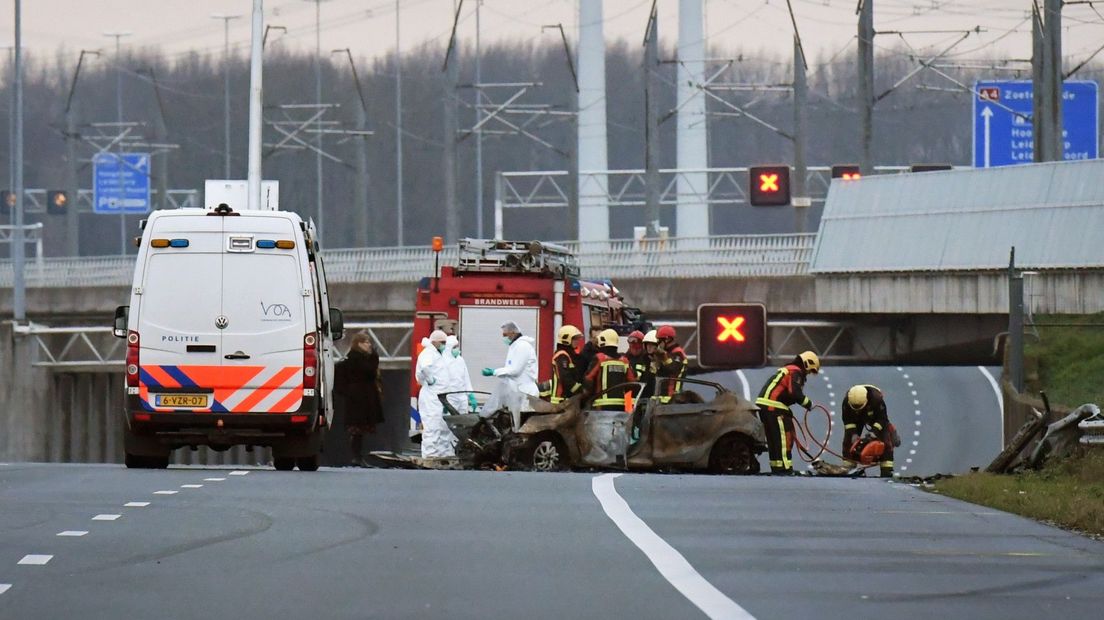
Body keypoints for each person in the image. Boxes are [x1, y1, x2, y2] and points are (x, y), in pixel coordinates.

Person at [754, 351, 821, 475]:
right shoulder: (795, 372)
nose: (808, 374)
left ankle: (777, 467)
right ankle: (785, 469)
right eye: (810, 370)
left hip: (766, 407)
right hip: (774, 408)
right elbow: (795, 393)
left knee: (774, 440)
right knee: (784, 439)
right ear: (807, 363)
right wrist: (809, 404)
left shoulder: (788, 370)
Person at [334, 332, 384, 467]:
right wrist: (374, 357)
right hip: (358, 399)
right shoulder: (355, 359)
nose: (369, 345)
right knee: (357, 428)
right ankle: (356, 457)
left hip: (362, 398)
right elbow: (369, 371)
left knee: (360, 429)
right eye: (366, 342)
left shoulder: (361, 358)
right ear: (359, 344)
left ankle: (358, 456)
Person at [481, 321, 539, 426]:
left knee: (524, 427)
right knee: (515, 426)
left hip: (525, 393)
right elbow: (511, 369)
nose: (504, 337)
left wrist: (494, 372)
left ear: (513, 332)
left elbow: (515, 370)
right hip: (518, 393)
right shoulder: (515, 346)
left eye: (505, 334)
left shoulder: (522, 346)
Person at [841, 384, 901, 478]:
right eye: (855, 407)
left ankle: (886, 470)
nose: (857, 409)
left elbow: (882, 419)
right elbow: (848, 421)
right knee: (848, 441)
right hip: (856, 419)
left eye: (859, 406)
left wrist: (875, 431)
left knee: (886, 441)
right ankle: (848, 466)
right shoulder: (846, 402)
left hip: (875, 418)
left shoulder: (877, 400)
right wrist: (853, 434)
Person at [415, 330, 457, 458]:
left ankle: (443, 453)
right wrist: (430, 380)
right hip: (431, 396)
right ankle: (430, 454)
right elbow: (424, 368)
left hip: (440, 396)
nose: (444, 345)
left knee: (443, 426)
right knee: (432, 426)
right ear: (434, 342)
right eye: (442, 342)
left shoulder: (439, 354)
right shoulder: (428, 353)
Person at [583, 328, 636, 411]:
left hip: (601, 405)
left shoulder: (600, 358)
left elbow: (589, 378)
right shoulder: (624, 361)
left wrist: (586, 397)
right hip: (621, 405)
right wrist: (629, 408)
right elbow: (631, 383)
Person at [547, 325, 584, 404]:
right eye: (575, 339)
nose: (577, 341)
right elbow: (565, 377)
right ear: (566, 339)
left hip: (567, 400)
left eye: (578, 338)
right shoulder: (561, 355)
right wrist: (580, 390)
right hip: (560, 400)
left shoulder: (569, 354)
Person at [443, 335, 478, 414]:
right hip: (450, 398)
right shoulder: (443, 362)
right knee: (449, 424)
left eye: (457, 346)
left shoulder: (460, 360)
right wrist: (443, 402)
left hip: (462, 398)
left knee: (464, 423)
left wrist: (471, 395)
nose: (457, 349)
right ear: (449, 348)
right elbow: (442, 383)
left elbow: (466, 379)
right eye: (454, 347)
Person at [653, 324, 688, 403]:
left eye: (659, 340)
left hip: (672, 398)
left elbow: (674, 369)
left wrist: (665, 358)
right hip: (661, 397)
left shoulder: (678, 353)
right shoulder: (667, 353)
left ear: (667, 339)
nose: (658, 343)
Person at [628, 330, 655, 399]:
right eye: (632, 347)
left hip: (644, 395)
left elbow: (650, 379)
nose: (635, 349)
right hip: (628, 395)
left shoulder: (648, 360)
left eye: (637, 348)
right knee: (628, 409)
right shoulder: (625, 359)